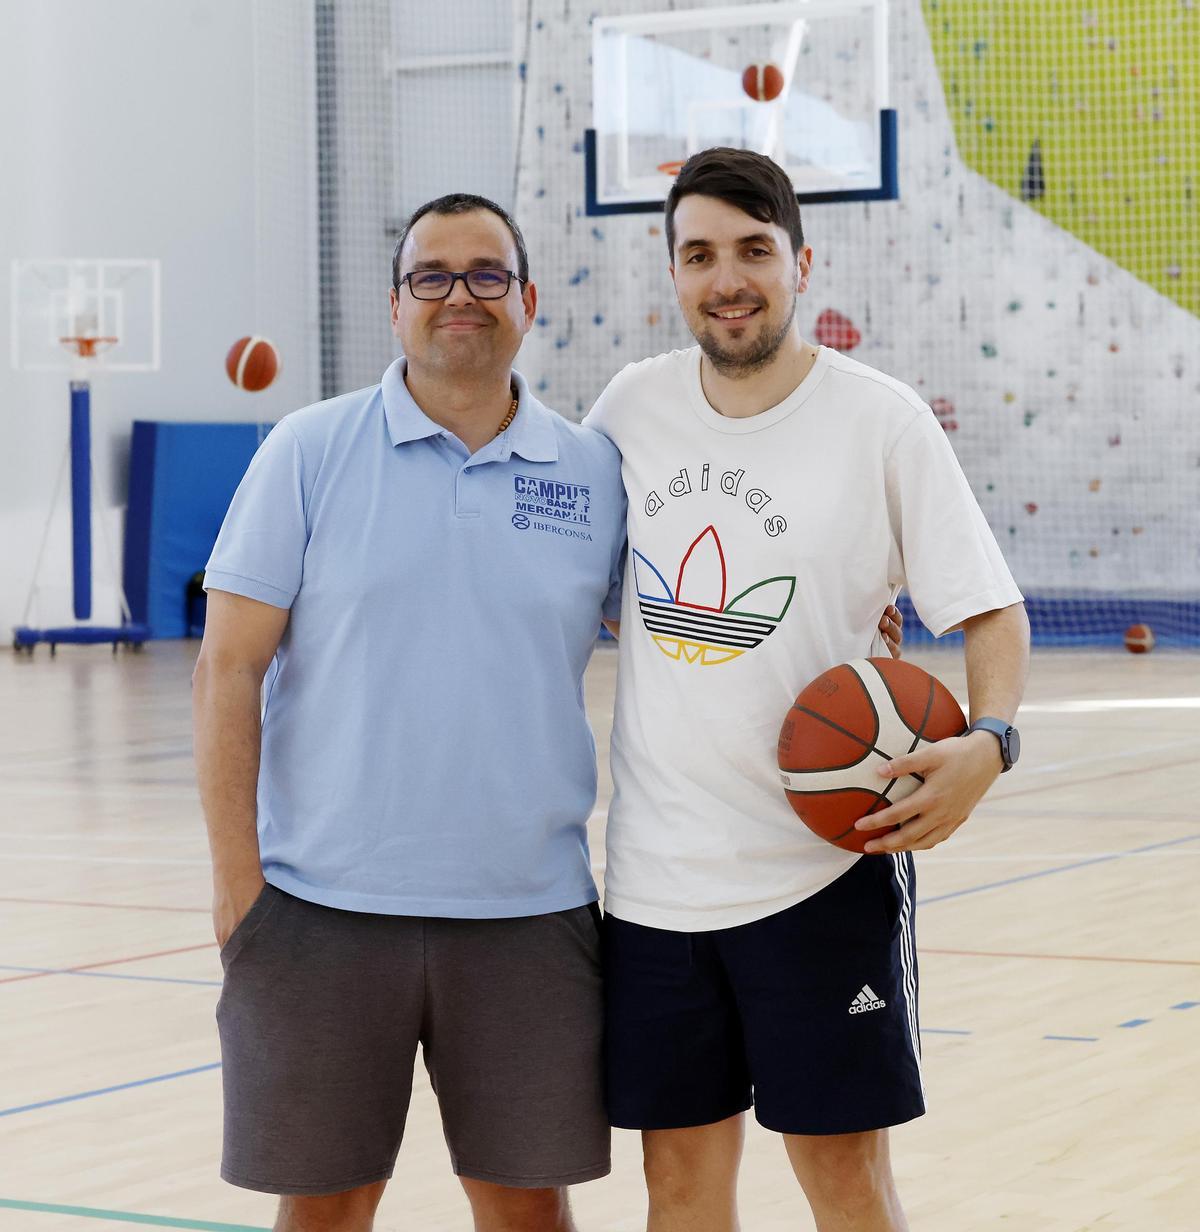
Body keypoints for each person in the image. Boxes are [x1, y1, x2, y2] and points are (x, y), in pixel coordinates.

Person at [585, 148, 1030, 1232]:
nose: (726, 277)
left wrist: (992, 740)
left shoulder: (879, 420)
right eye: (699, 254)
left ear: (800, 262)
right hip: (655, 879)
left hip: (824, 867)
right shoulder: (627, 410)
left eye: (752, 249)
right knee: (680, 1185)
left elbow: (991, 609)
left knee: (845, 1181)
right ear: (673, 271)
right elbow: (583, 598)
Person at [192, 193, 628, 1232]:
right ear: (396, 305)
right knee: (327, 1206)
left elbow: (692, 636)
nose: (459, 296)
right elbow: (226, 670)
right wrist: (238, 888)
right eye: (432, 275)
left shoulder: (596, 471)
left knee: (527, 1206)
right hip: (320, 909)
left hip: (529, 912)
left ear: (527, 300)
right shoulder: (307, 449)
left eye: (486, 274)